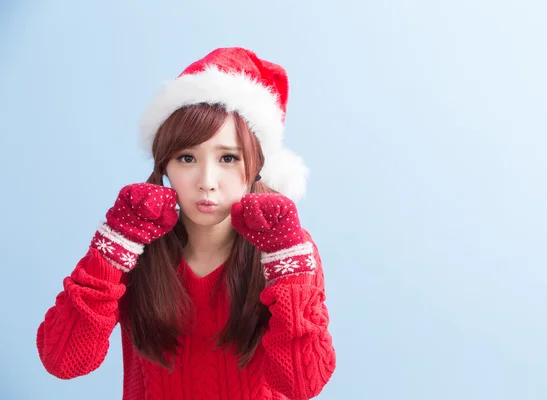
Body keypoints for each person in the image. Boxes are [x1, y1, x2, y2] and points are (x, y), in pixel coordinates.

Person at [36, 47, 336, 400]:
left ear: (257, 165)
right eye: (187, 157)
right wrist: (113, 248)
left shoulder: (290, 251)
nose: (206, 180)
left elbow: (303, 384)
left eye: (228, 158)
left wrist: (288, 268)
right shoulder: (133, 247)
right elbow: (63, 361)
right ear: (165, 166)